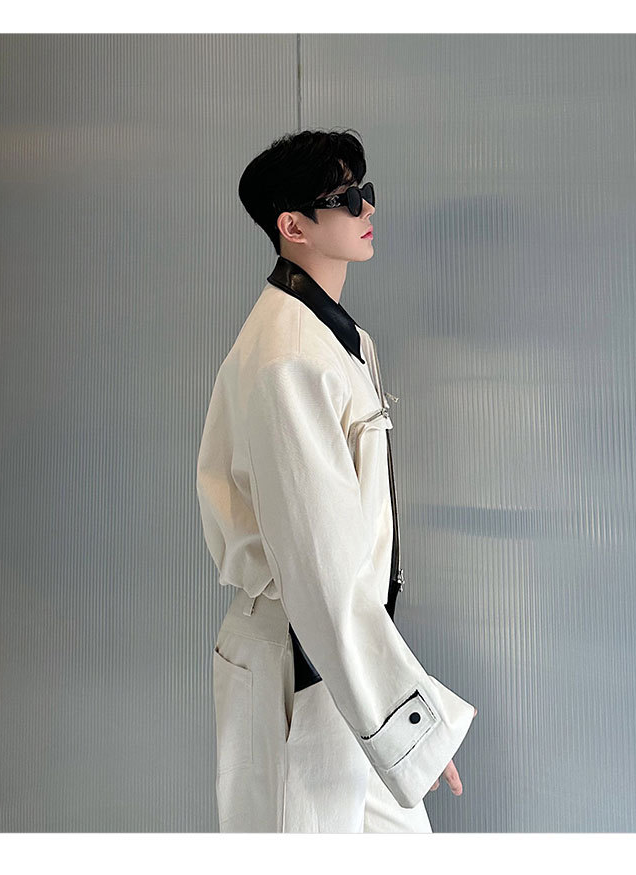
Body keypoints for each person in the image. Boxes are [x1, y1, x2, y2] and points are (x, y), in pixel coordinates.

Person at [196, 128, 477, 833]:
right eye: (346, 198)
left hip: (341, 662)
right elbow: (321, 571)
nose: (367, 207)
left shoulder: (333, 339)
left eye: (366, 190)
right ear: (293, 227)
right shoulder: (289, 358)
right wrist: (408, 728)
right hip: (303, 662)